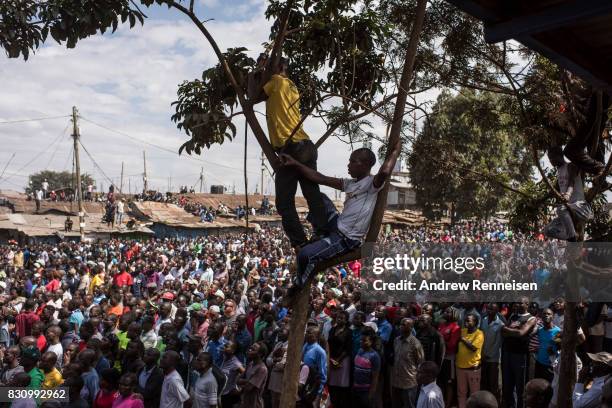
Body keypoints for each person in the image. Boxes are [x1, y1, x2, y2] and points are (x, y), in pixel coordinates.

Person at [281, 144, 399, 292]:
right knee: (319, 198)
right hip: (337, 224)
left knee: (304, 255)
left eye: (352, 161)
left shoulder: (372, 184)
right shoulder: (350, 183)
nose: (348, 165)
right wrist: (295, 164)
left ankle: (299, 284)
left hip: (345, 238)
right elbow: (321, 178)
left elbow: (385, 171)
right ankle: (321, 234)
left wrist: (395, 151)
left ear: (365, 165)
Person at [261, 56, 328, 250]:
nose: (267, 70)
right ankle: (322, 231)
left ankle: (299, 241)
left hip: (291, 148)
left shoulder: (275, 81)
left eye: (270, 66)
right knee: (312, 193)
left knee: (283, 202)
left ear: (280, 67)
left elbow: (253, 95)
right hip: (306, 145)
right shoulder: (292, 86)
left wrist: (257, 73)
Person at [502, 297, 536, 408]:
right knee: (508, 384)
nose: (517, 304)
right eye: (516, 302)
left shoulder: (531, 319)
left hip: (520, 355)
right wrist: (514, 332)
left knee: (520, 385)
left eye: (520, 303)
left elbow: (521, 333)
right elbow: (503, 330)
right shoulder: (513, 315)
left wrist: (510, 331)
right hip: (507, 353)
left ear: (527, 304)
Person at [391, 318, 424, 408]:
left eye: (404, 325)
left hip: (409, 382)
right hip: (396, 381)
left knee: (409, 405)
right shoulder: (396, 340)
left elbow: (420, 362)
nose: (400, 327)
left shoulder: (416, 344)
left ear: (411, 327)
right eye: (400, 324)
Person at [456, 313, 484, 408]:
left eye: (468, 320)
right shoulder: (462, 331)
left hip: (473, 368)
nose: (465, 322)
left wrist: (462, 339)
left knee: (474, 394)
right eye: (465, 320)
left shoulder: (479, 333)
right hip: (460, 367)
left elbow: (473, 348)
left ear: (475, 322)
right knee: (461, 393)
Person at [480, 303, 503, 402]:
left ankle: (494, 403)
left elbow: (498, 343)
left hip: (493, 359)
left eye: (492, 309)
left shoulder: (500, 324)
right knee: (483, 382)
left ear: (497, 311)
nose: (489, 311)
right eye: (488, 309)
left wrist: (489, 355)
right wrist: (482, 354)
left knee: (493, 383)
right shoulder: (483, 321)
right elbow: (480, 338)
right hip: (482, 356)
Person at [353, 331, 381, 408]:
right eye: (361, 340)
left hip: (365, 391)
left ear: (371, 342)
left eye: (364, 340)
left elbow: (375, 377)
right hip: (356, 388)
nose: (361, 342)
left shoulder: (375, 356)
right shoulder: (360, 351)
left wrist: (371, 394)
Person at [237, 342, 268, 408]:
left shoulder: (262, 369)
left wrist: (243, 382)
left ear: (260, 354)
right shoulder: (251, 364)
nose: (249, 350)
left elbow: (249, 387)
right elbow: (238, 380)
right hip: (245, 402)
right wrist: (248, 380)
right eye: (250, 348)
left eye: (253, 350)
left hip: (254, 404)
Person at [534, 308, 560, 382]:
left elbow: (560, 348)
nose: (546, 315)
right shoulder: (539, 330)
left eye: (549, 314)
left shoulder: (558, 331)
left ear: (553, 316)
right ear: (541, 316)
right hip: (539, 363)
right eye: (544, 314)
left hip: (550, 365)